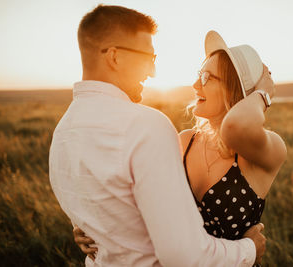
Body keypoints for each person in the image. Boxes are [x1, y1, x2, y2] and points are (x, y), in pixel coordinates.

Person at [49, 5, 266, 267]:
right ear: (114, 57)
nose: (152, 72)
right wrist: (249, 249)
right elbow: (186, 257)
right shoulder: (147, 126)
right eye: (147, 57)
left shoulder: (61, 136)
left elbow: (107, 218)